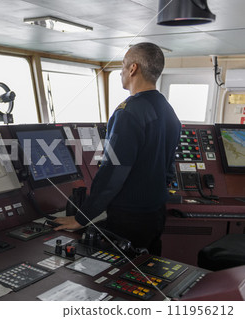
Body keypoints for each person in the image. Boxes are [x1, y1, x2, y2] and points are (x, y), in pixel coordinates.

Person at [54, 42, 181, 255]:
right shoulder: (169, 111)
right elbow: (168, 169)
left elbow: (113, 172)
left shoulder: (129, 112)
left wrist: (81, 217)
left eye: (123, 65)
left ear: (133, 69)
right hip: (155, 214)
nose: (121, 71)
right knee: (146, 274)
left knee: (117, 280)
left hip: (129, 219)